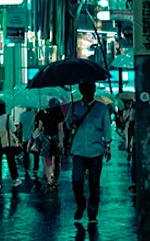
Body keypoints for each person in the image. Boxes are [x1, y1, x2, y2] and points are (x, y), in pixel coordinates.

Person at [68, 82, 112, 222]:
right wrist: (72, 121)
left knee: (94, 183)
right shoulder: (74, 107)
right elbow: (67, 125)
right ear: (81, 91)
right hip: (79, 150)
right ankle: (81, 204)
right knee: (76, 180)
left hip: (96, 150)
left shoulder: (101, 108)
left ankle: (92, 212)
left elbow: (107, 128)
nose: (88, 93)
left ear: (93, 91)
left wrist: (107, 145)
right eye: (85, 90)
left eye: (90, 90)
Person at [0, 100, 21, 189]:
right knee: (11, 160)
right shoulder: (8, 117)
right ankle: (15, 178)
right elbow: (13, 129)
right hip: (6, 140)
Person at [36, 99, 65, 191]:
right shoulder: (59, 114)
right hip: (56, 138)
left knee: (47, 162)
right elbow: (60, 130)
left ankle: (49, 181)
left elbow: (39, 128)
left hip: (46, 139)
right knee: (57, 162)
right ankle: (56, 180)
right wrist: (61, 142)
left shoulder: (42, 113)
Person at [17, 106, 40, 180]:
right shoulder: (35, 115)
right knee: (36, 153)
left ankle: (26, 168)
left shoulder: (22, 115)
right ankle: (35, 168)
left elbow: (20, 126)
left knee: (25, 153)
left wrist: (19, 138)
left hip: (25, 136)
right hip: (34, 136)